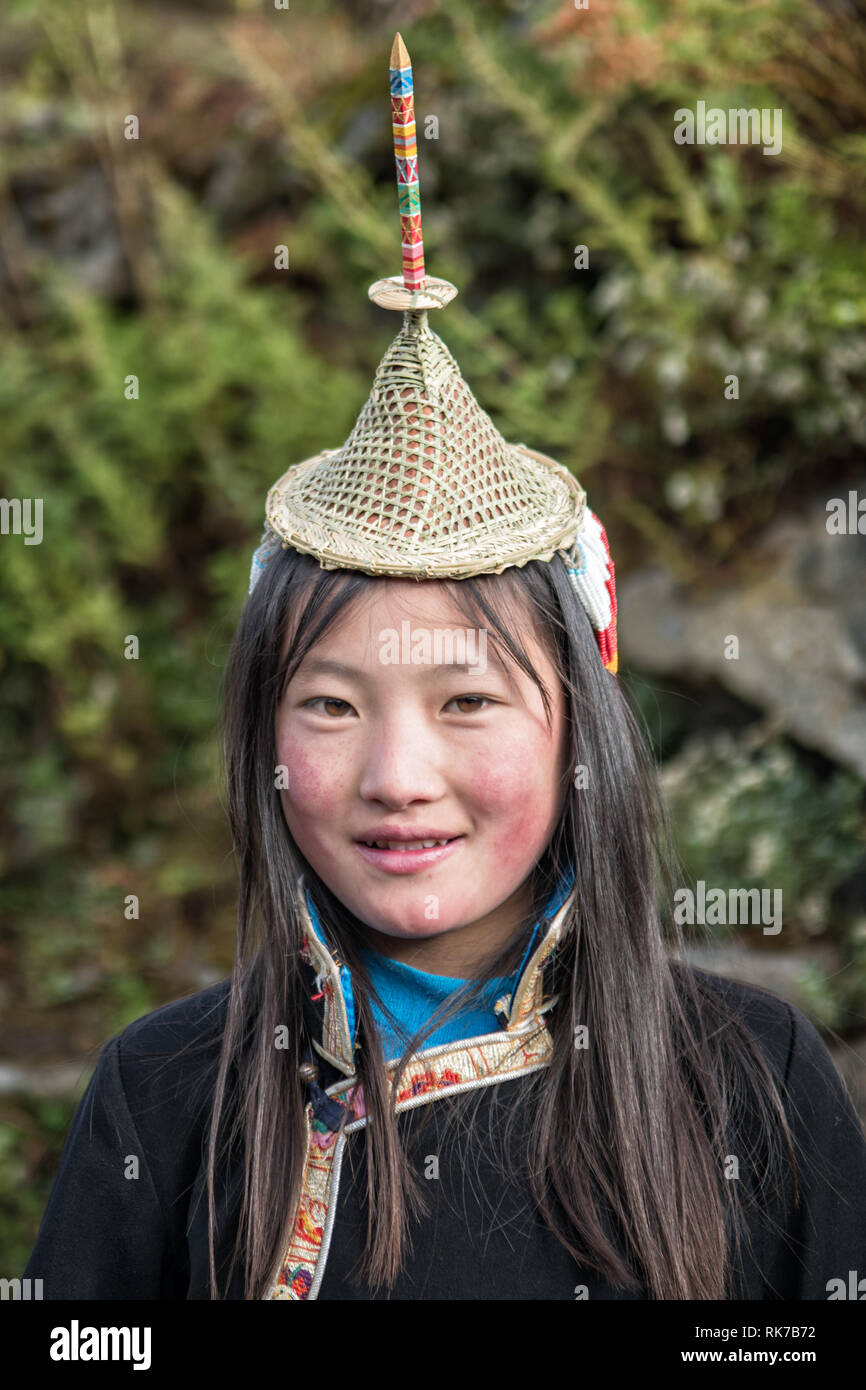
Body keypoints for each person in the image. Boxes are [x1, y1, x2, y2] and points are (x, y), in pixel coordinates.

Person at [23, 35, 866, 1302]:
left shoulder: (752, 1080)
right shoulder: (163, 1095)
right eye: (329, 704)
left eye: (466, 699)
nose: (396, 776)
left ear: (580, 725)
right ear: (263, 733)